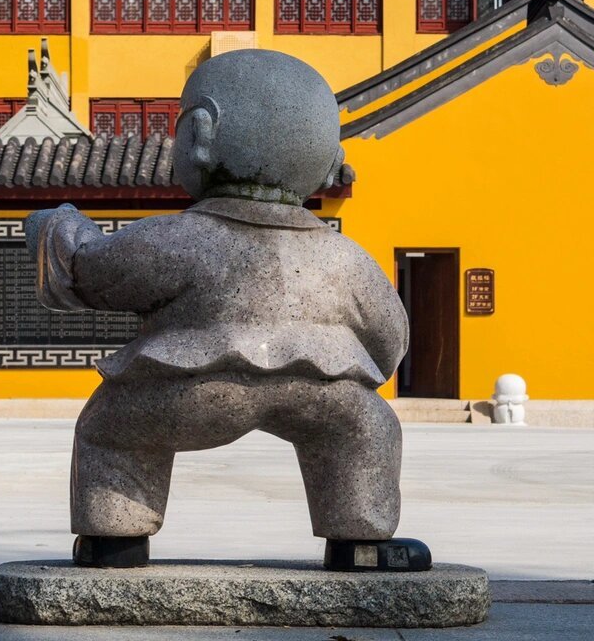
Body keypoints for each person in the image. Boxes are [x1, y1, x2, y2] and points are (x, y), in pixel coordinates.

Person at [26, 49, 426, 571]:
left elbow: (91, 272)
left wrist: (58, 227)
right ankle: (361, 541)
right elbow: (391, 338)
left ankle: (113, 538)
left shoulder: (179, 237)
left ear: (200, 135)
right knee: (370, 428)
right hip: (328, 392)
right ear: (330, 161)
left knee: (111, 430)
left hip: (187, 386)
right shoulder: (346, 258)